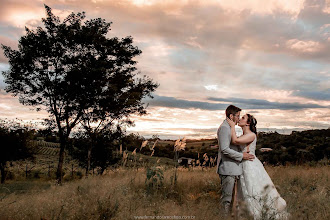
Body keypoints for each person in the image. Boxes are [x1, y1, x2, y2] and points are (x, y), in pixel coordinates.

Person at [227, 114, 289, 219]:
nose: (240, 119)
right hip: (243, 164)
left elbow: (235, 141)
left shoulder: (251, 135)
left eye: (243, 118)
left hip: (250, 165)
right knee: (242, 189)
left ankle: (257, 213)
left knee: (252, 188)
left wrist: (232, 126)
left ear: (248, 123)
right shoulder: (243, 135)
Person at [216, 105, 255, 216]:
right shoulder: (224, 127)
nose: (238, 119)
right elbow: (224, 149)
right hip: (228, 169)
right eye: (237, 116)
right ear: (231, 116)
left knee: (232, 199)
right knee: (227, 199)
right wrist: (241, 155)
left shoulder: (229, 127)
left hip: (233, 169)